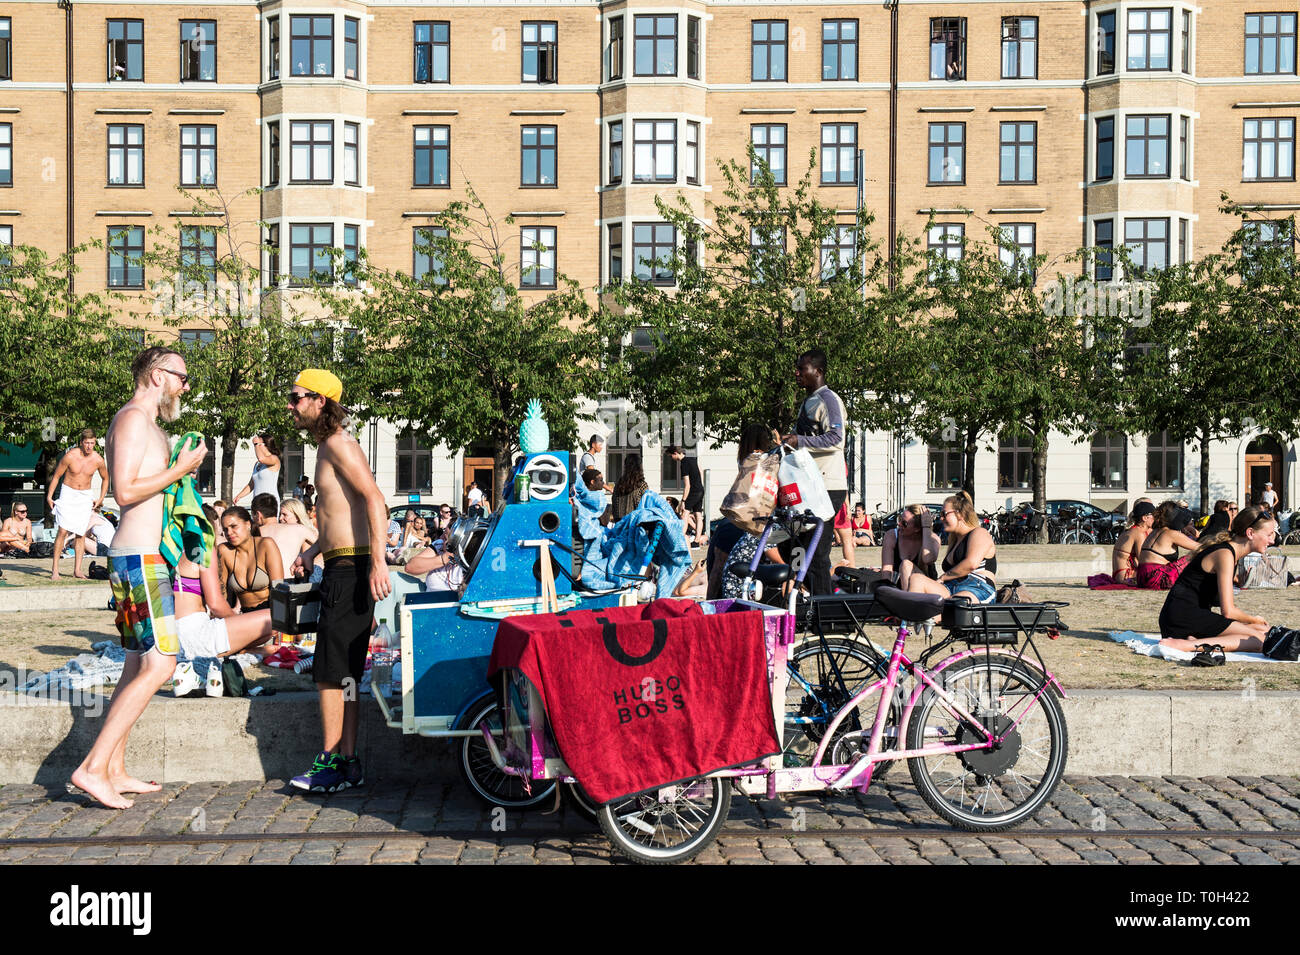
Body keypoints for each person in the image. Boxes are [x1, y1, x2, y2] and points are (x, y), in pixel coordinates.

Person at [70, 347, 207, 809]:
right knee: (162, 663)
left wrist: (178, 470)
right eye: (181, 378)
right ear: (156, 374)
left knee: (135, 662)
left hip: (141, 558)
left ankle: (114, 768)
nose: (185, 386)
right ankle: (92, 768)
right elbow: (125, 491)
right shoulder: (131, 420)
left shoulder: (148, 424)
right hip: (137, 561)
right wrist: (179, 470)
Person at [286, 369, 390, 793]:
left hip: (352, 570)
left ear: (320, 401)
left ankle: (328, 763)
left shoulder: (338, 444)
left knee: (330, 672)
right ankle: (347, 762)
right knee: (346, 671)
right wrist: (312, 551)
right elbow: (340, 516)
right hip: (342, 565)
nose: (290, 406)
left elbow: (374, 498)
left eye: (296, 398)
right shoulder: (327, 447)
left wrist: (379, 562)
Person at [1158, 506, 1275, 654]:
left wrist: (1254, 623)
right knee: (1261, 641)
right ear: (1250, 533)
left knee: (1264, 630)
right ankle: (1187, 645)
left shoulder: (1230, 553)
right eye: (1269, 534)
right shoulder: (1225, 554)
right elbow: (1229, 612)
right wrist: (1253, 619)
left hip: (1188, 615)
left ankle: (1194, 640)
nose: (1272, 540)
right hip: (1182, 617)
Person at [782, 348, 847, 596]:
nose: (797, 373)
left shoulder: (828, 399)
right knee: (795, 546)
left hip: (827, 486)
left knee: (816, 550)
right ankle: (800, 602)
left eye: (803, 369)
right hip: (809, 486)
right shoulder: (808, 402)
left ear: (818, 372)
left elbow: (837, 438)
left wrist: (799, 441)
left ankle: (825, 612)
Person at [171, 549, 276, 662]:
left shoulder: (170, 550)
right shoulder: (201, 547)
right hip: (198, 637)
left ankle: (242, 650)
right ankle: (242, 650)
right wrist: (239, 622)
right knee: (274, 620)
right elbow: (215, 604)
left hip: (173, 638)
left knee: (265, 632)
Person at [907, 491, 997, 608]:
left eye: (944, 514)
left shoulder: (979, 533)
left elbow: (971, 564)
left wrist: (943, 577)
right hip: (949, 588)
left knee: (955, 605)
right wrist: (927, 527)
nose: (941, 518)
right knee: (916, 579)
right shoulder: (954, 541)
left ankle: (926, 616)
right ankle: (907, 621)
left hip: (977, 587)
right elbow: (927, 558)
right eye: (941, 514)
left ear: (960, 514)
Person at [48, 428, 110, 580]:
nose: (89, 446)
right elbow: (56, 476)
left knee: (80, 533)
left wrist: (101, 498)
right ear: (81, 443)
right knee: (63, 531)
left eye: (92, 443)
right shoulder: (71, 456)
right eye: (87, 443)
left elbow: (106, 479)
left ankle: (77, 570)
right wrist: (49, 496)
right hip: (68, 492)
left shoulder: (98, 460)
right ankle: (55, 570)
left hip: (85, 495)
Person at [217, 505, 283, 612]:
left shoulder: (265, 545)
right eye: (225, 529)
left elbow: (279, 589)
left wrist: (277, 623)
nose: (229, 533)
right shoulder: (224, 551)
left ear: (248, 524)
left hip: (270, 611)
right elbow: (220, 591)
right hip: (245, 613)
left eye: (234, 526)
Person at [250, 493, 313, 581]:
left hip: (262, 586)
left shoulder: (252, 534)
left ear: (258, 514)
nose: (281, 518)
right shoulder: (299, 529)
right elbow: (325, 544)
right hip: (291, 584)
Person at [1137, 501, 1199, 589]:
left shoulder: (1154, 531)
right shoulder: (1171, 533)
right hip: (1158, 578)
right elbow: (1200, 547)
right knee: (1194, 555)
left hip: (1142, 578)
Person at [880, 505, 941, 590]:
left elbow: (928, 559)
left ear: (917, 528)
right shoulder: (892, 535)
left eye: (904, 523)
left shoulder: (933, 539)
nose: (899, 523)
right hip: (902, 590)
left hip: (927, 591)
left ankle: (908, 600)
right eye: (899, 518)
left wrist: (926, 527)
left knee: (906, 565)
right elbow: (887, 569)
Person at [668, 445, 706, 546]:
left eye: (671, 456)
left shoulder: (683, 463)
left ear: (675, 453)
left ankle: (681, 539)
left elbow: (687, 485)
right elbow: (701, 472)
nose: (671, 458)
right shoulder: (693, 459)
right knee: (698, 515)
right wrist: (700, 485)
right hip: (700, 489)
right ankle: (696, 541)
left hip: (693, 491)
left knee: (684, 512)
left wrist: (683, 501)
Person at [1111, 500, 1157, 584]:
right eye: (1154, 516)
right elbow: (1144, 560)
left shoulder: (1135, 530)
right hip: (1126, 576)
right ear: (1144, 518)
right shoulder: (1138, 533)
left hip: (1121, 574)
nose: (1156, 518)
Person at [233, 433, 282, 508]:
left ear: (265, 445)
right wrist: (239, 496)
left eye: (258, 444)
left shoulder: (274, 458)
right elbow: (251, 484)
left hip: (269, 502)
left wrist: (256, 443)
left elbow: (261, 458)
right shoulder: (257, 464)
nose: (256, 447)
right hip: (257, 501)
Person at [608, 454, 649, 522]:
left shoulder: (619, 484)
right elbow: (646, 506)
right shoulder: (642, 485)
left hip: (620, 524)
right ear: (640, 467)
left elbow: (614, 504)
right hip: (635, 524)